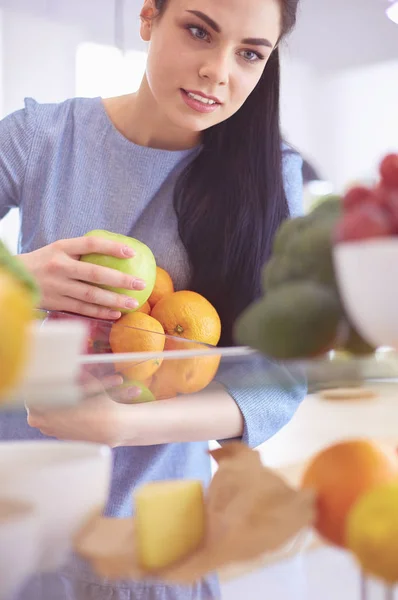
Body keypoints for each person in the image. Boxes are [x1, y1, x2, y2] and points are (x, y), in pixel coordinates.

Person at [0, 0, 304, 598]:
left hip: (159, 546)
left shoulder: (270, 174)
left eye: (249, 54)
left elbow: (281, 377)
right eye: (198, 31)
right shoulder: (41, 138)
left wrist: (120, 425)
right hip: (21, 520)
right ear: (148, 18)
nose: (219, 72)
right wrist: (19, 276)